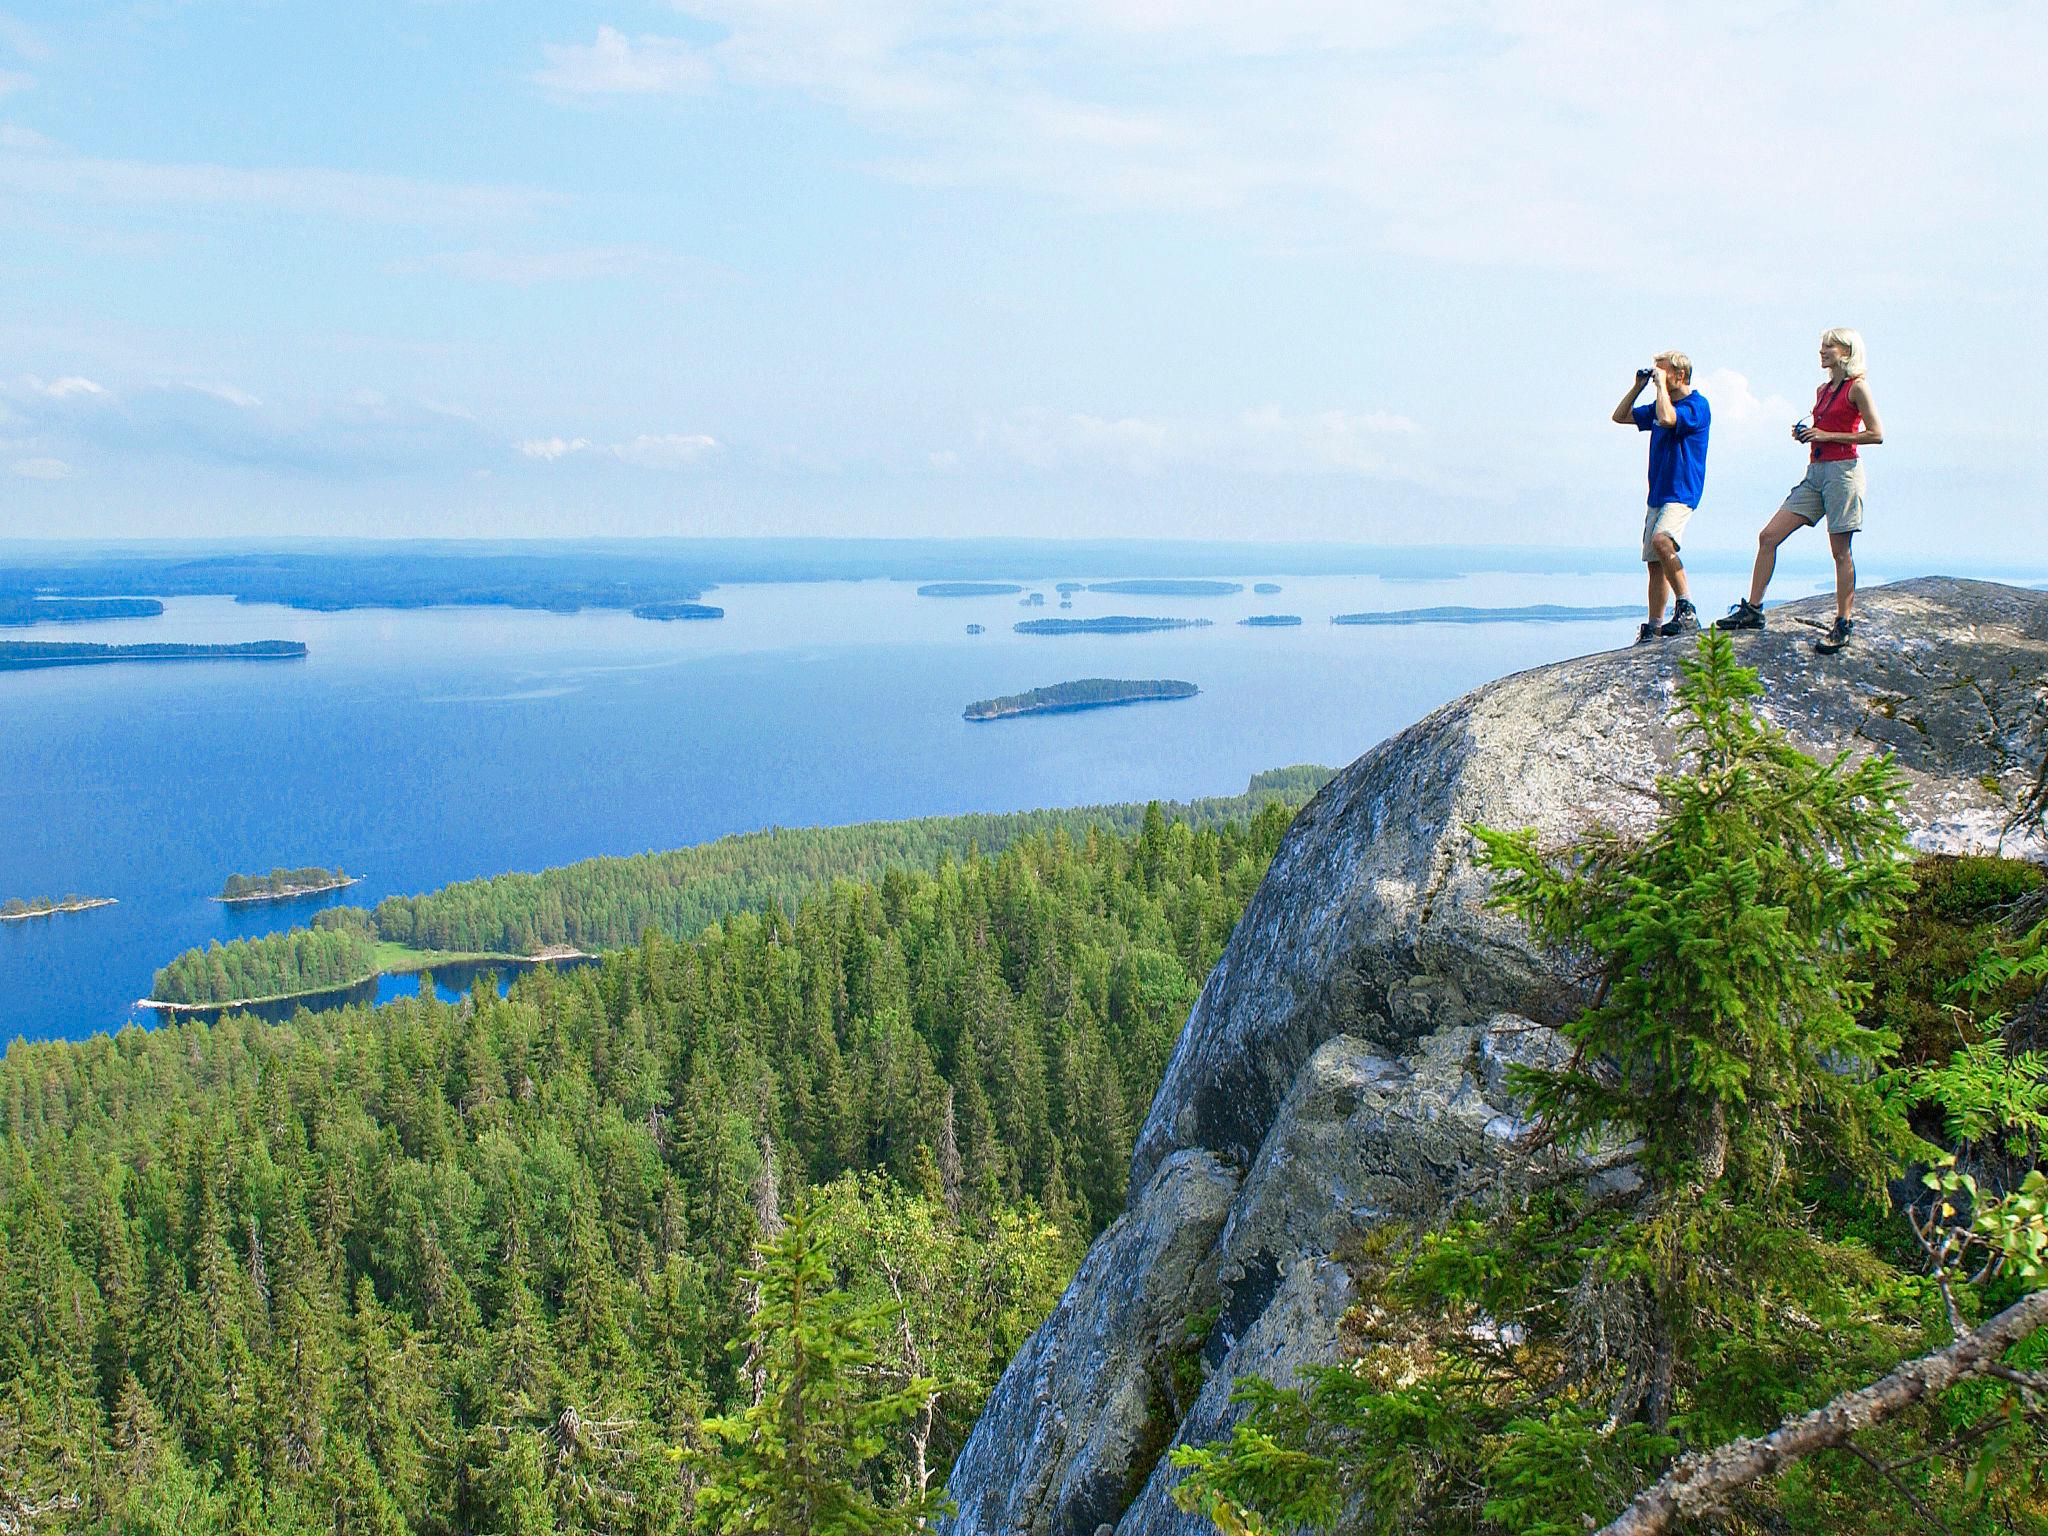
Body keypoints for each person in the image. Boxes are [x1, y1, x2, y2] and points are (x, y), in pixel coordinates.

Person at [1716, 328, 1885, 653]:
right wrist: (1807, 435)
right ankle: (1753, 610)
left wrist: (1826, 436)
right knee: (1768, 536)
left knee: (1839, 551)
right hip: (1815, 472)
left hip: (1842, 473)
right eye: (1822, 346)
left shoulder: (1857, 388)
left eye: (1829, 346)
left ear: (1846, 352)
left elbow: (1876, 434)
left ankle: (1843, 621)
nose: (1822, 351)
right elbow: (1824, 431)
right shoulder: (1823, 389)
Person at [1610, 350, 1710, 643]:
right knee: (1655, 563)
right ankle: (1655, 625)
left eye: (1663, 373)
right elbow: (1620, 416)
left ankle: (1686, 608)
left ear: (1679, 375)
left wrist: (1659, 388)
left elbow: (1668, 418)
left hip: (1682, 490)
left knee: (1662, 540)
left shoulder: (1697, 406)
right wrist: (1638, 386)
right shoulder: (1658, 405)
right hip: (1658, 492)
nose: (1659, 378)